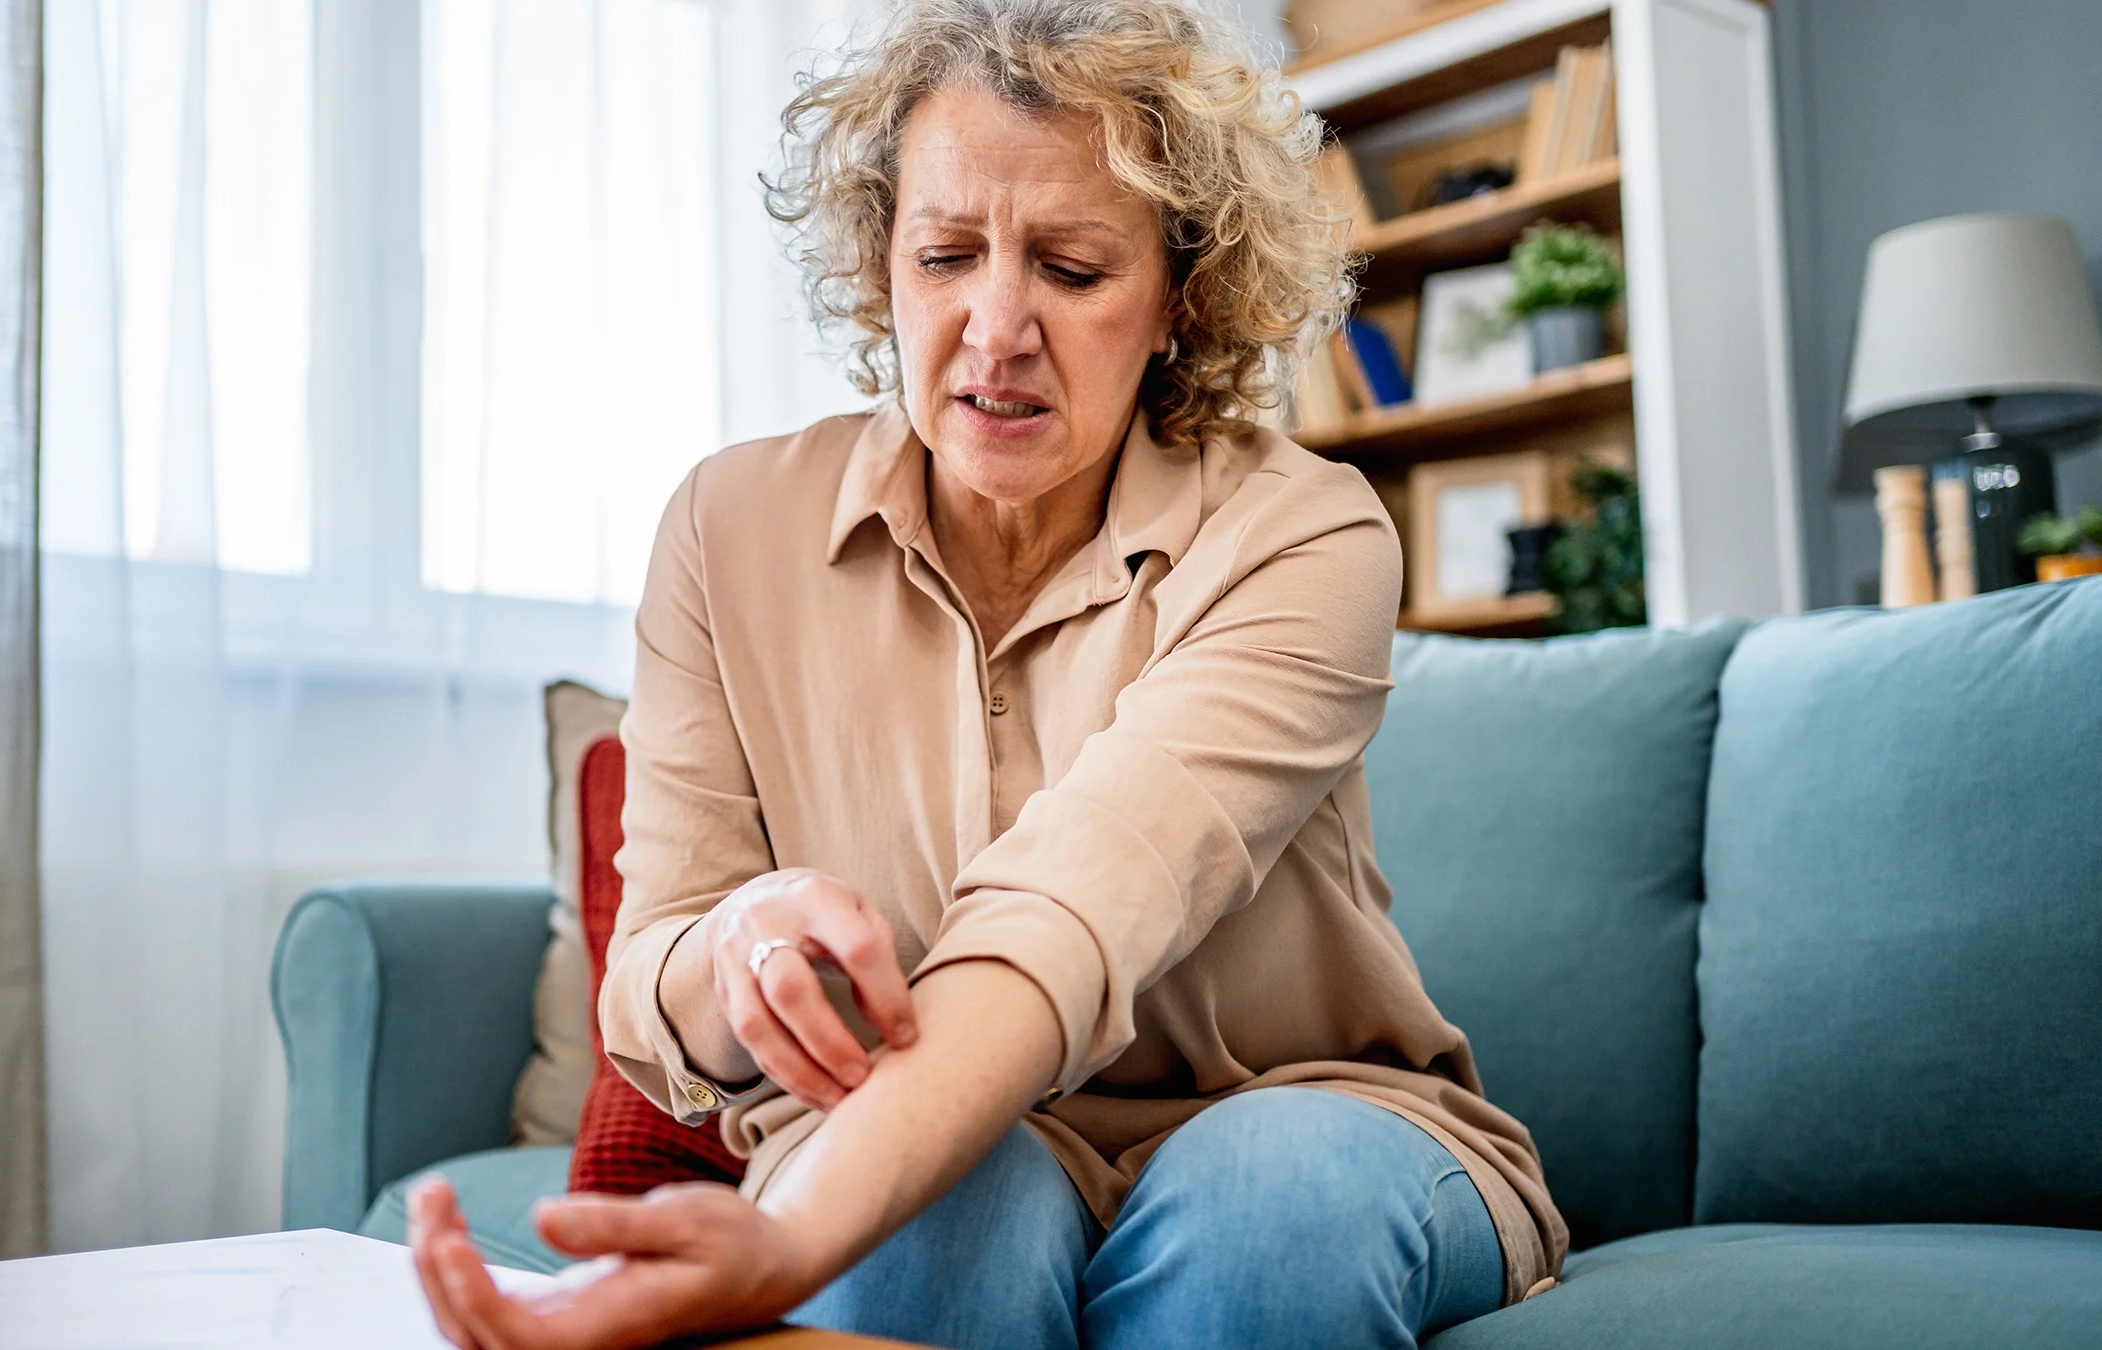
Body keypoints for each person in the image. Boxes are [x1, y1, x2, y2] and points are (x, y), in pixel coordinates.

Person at [407, 3, 1565, 1346]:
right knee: (942, 1204)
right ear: (879, 264)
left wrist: (788, 1238)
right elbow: (652, 974)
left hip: (1306, 1117)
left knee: (1270, 1202)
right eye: (946, 253)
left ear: (1180, 297)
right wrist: (740, 954)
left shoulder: (1302, 534)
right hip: (920, 1146)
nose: (995, 325)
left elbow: (1072, 909)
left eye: (1073, 269)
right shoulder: (727, 531)